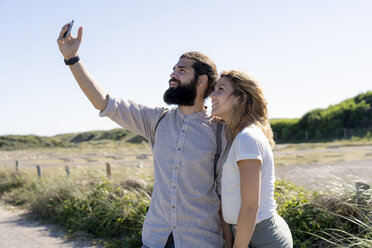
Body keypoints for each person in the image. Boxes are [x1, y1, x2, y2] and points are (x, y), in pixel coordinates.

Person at [57, 23, 227, 247]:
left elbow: (227, 195)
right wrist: (72, 58)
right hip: (155, 239)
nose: (172, 75)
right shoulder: (157, 119)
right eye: (173, 69)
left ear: (202, 81)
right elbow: (104, 102)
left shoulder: (220, 130)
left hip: (201, 241)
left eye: (182, 70)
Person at [210, 70, 293, 248]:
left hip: (265, 238)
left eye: (220, 90)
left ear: (240, 98)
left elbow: (250, 207)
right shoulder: (239, 136)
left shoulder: (247, 138)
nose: (212, 95)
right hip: (246, 233)